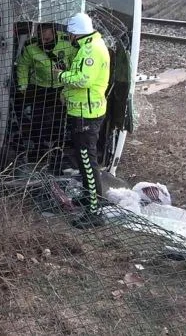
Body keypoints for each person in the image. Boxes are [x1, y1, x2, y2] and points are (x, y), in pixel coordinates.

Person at [54, 12, 110, 228]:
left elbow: (83, 80)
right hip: (83, 112)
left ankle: (94, 213)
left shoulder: (91, 50)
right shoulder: (92, 45)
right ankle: (91, 198)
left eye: (69, 33)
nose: (68, 36)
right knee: (85, 160)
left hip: (86, 115)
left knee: (87, 163)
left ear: (75, 33)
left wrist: (61, 76)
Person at [16, 22, 77, 164]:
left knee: (59, 121)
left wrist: (72, 84)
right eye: (41, 39)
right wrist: (22, 86)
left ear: (55, 33)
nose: (43, 42)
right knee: (38, 120)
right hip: (39, 87)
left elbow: (75, 63)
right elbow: (23, 66)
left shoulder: (67, 43)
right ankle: (39, 149)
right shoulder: (31, 47)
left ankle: (57, 150)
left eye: (47, 39)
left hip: (61, 88)